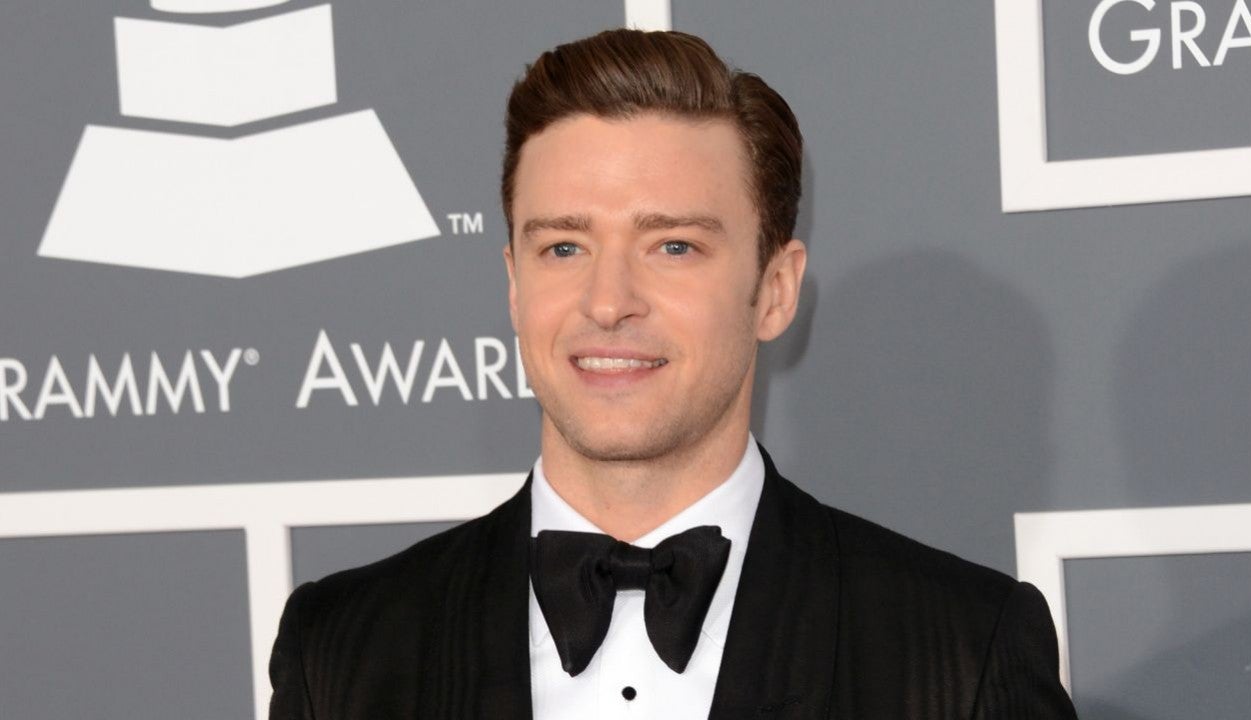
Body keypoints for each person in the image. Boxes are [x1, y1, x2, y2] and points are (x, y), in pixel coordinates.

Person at [268, 29, 1078, 720]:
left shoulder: (964, 651)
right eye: (563, 247)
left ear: (775, 290)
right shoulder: (340, 651)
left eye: (674, 246)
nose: (608, 302)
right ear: (514, 284)